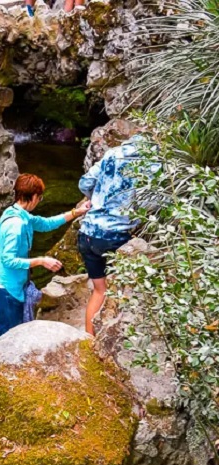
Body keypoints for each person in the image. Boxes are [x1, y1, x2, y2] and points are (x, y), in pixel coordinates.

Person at [0, 174, 91, 347]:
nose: (39, 200)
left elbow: (46, 224)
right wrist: (40, 260)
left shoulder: (17, 213)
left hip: (10, 284)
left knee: (9, 329)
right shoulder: (16, 225)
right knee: (4, 331)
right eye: (39, 197)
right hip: (5, 287)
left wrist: (76, 212)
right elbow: (8, 260)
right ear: (32, 197)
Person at [78, 135, 154, 336]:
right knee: (126, 289)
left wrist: (95, 200)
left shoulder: (112, 154)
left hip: (87, 233)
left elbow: (85, 182)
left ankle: (88, 341)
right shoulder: (151, 162)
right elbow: (154, 201)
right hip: (114, 237)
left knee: (99, 290)